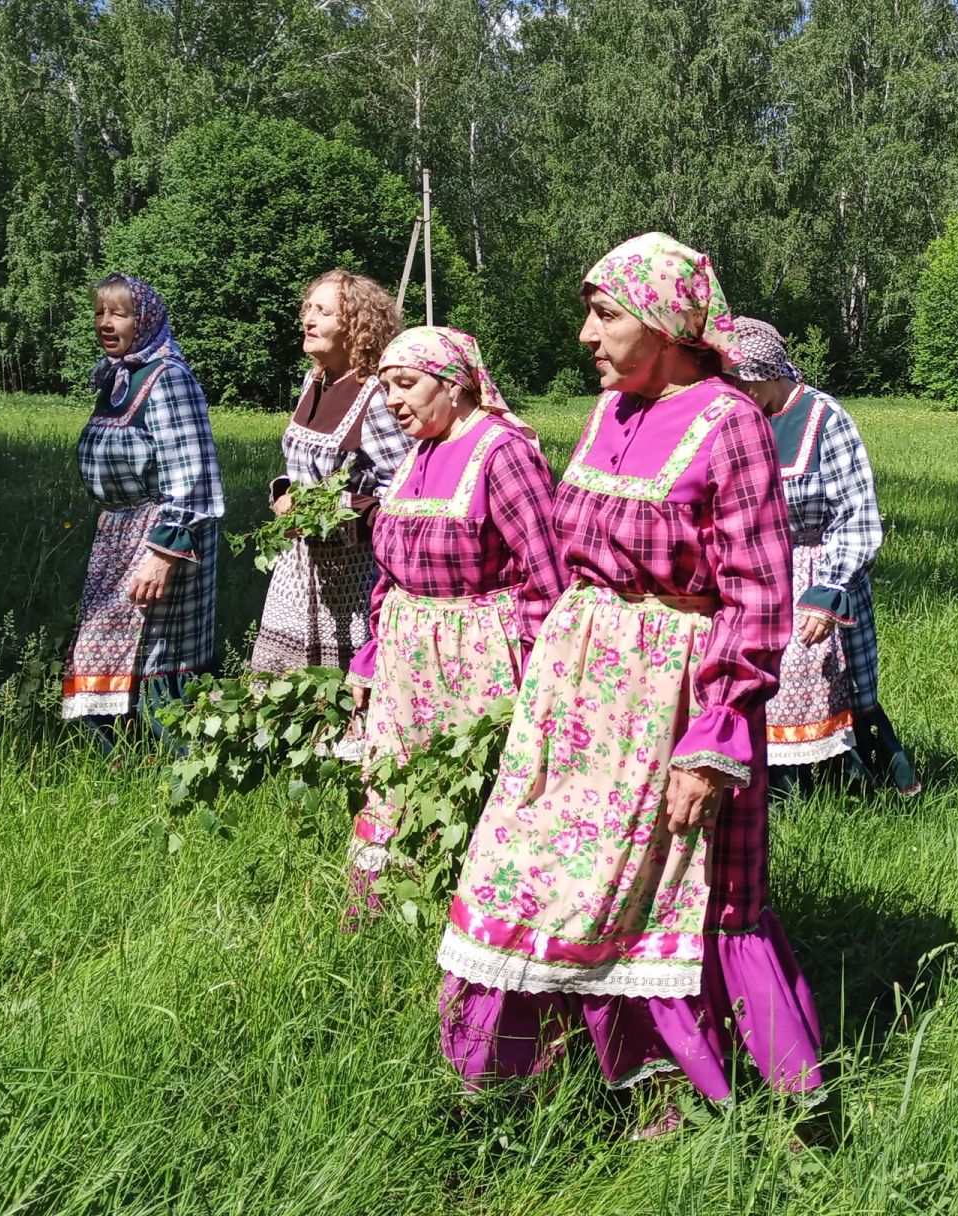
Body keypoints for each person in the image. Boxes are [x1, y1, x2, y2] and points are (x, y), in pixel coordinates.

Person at [437, 233, 822, 1128]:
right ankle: (502, 1077)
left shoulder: (729, 424)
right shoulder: (611, 411)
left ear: (665, 322)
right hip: (578, 703)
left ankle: (674, 1097)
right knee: (531, 871)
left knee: (668, 897)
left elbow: (759, 595)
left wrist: (714, 738)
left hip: (668, 702)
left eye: (604, 313)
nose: (585, 335)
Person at [343, 326, 564, 917]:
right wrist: (369, 655)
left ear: (455, 384)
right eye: (386, 387)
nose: (393, 400)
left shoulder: (503, 451)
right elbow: (389, 571)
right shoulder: (417, 454)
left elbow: (547, 571)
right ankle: (394, 904)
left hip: (481, 655)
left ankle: (485, 914)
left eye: (406, 384)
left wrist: (543, 668)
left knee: (477, 781)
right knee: (395, 778)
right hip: (406, 655)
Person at [725, 317, 919, 796]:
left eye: (741, 383)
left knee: (805, 679)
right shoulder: (738, 418)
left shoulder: (824, 418)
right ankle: (760, 789)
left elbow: (857, 516)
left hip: (811, 571)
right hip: (754, 573)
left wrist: (826, 590)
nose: (734, 392)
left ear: (766, 375)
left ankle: (833, 790)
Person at [62, 273, 225, 740]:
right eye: (100, 312)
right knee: (106, 641)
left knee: (160, 651)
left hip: (162, 537)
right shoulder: (119, 377)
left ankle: (181, 759)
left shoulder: (167, 378)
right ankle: (122, 756)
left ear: (145, 319)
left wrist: (162, 555)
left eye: (120, 313)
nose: (106, 323)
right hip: (119, 533)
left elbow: (193, 478)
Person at [249, 270, 409, 676]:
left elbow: (405, 492)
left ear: (356, 326)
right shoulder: (313, 381)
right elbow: (300, 468)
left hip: (352, 577)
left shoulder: (374, 395)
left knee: (336, 687)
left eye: (323, 311)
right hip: (297, 570)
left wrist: (337, 509)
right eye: (308, 308)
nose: (308, 319)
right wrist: (284, 494)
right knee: (284, 686)